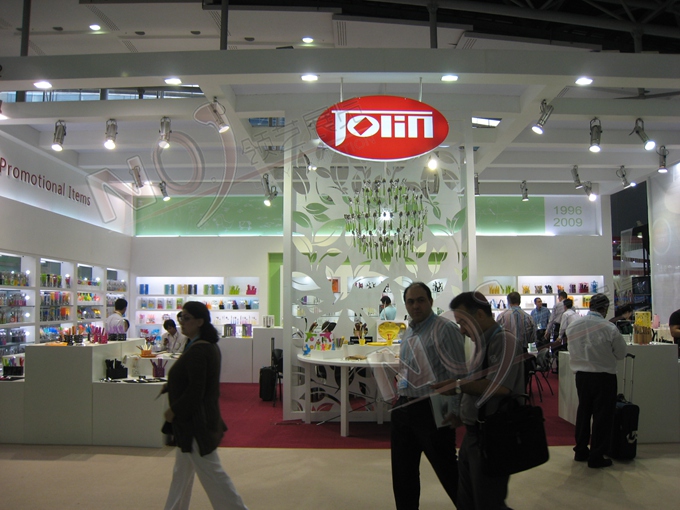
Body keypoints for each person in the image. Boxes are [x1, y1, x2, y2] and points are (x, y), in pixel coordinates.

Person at [437, 291, 524, 510]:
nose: (462, 330)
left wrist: (457, 385)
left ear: (480, 315)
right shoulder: (483, 344)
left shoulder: (504, 341)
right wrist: (462, 412)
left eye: (463, 323)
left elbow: (500, 387)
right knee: (467, 499)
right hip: (474, 433)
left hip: (493, 436)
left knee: (488, 500)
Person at [163, 301, 248, 510]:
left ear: (200, 321)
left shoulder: (199, 350)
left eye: (186, 318)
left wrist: (174, 410)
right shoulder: (201, 345)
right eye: (181, 317)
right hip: (195, 420)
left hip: (196, 422)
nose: (181, 322)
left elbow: (196, 390)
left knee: (214, 475)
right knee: (182, 473)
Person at [391, 282, 466, 510]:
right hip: (404, 408)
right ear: (405, 305)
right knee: (403, 475)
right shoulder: (408, 331)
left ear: (431, 301)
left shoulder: (445, 329)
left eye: (421, 300)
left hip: (433, 411)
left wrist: (455, 411)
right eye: (411, 301)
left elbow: (458, 375)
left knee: (449, 473)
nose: (416, 306)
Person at [566, 293, 627, 469]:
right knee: (602, 416)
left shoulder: (574, 325)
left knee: (583, 412)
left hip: (582, 376)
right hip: (604, 377)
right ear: (605, 308)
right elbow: (621, 353)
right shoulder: (609, 328)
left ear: (590, 305)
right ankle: (597, 455)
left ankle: (580, 450)